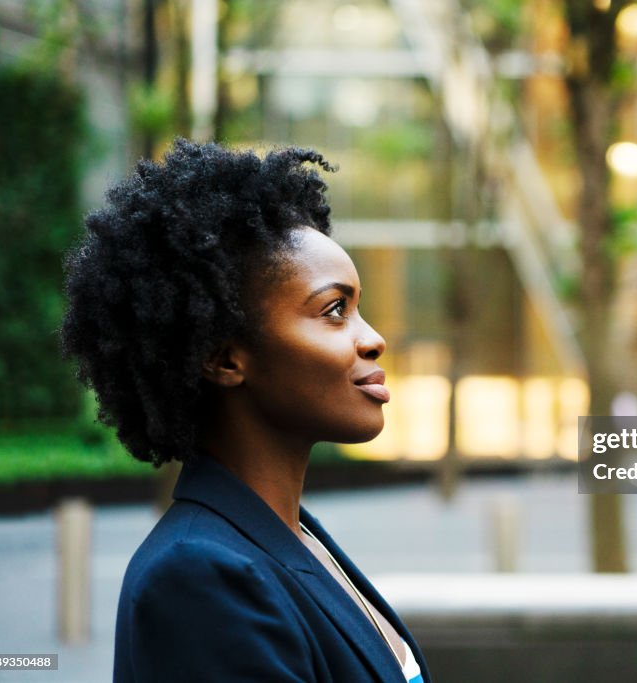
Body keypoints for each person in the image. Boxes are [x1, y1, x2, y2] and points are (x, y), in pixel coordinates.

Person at [62, 138, 431, 683]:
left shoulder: (288, 537)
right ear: (223, 358)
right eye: (335, 311)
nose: (373, 339)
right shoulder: (198, 576)